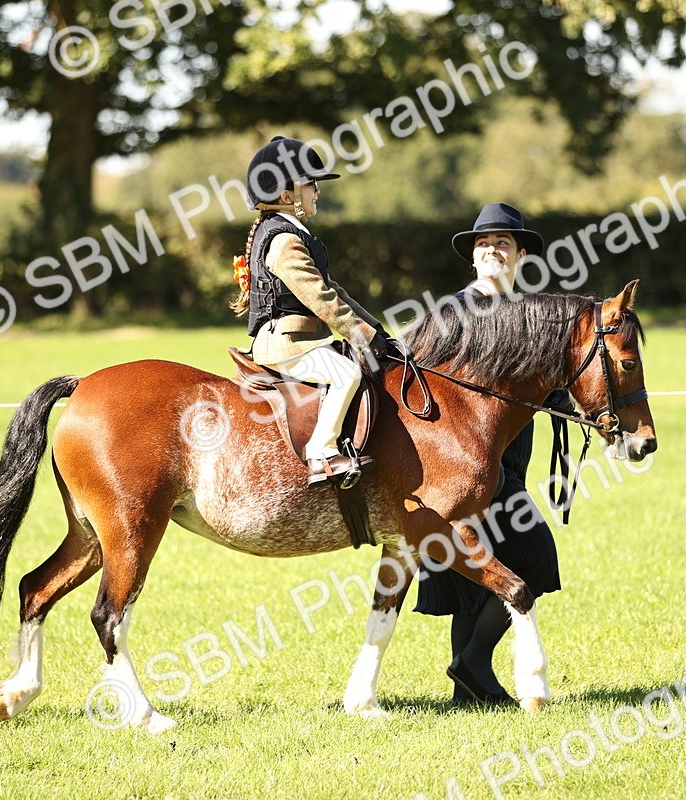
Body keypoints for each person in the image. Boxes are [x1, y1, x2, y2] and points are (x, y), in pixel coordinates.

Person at [413, 202, 571, 706]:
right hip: (454, 470)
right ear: (473, 258)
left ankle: (469, 685)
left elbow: (550, 382)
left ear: (521, 254)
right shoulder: (450, 314)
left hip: (510, 468)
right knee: (519, 563)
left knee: (489, 572)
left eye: (503, 243)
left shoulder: (531, 315)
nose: (492, 251)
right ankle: (472, 665)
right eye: (484, 244)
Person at [230, 136, 395, 488]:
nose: (317, 191)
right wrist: (363, 338)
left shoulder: (293, 233)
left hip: (300, 340)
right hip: (286, 344)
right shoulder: (285, 241)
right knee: (347, 373)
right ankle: (322, 454)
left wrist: (374, 330)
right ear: (287, 196)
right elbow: (320, 298)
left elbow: (336, 292)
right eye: (311, 184)